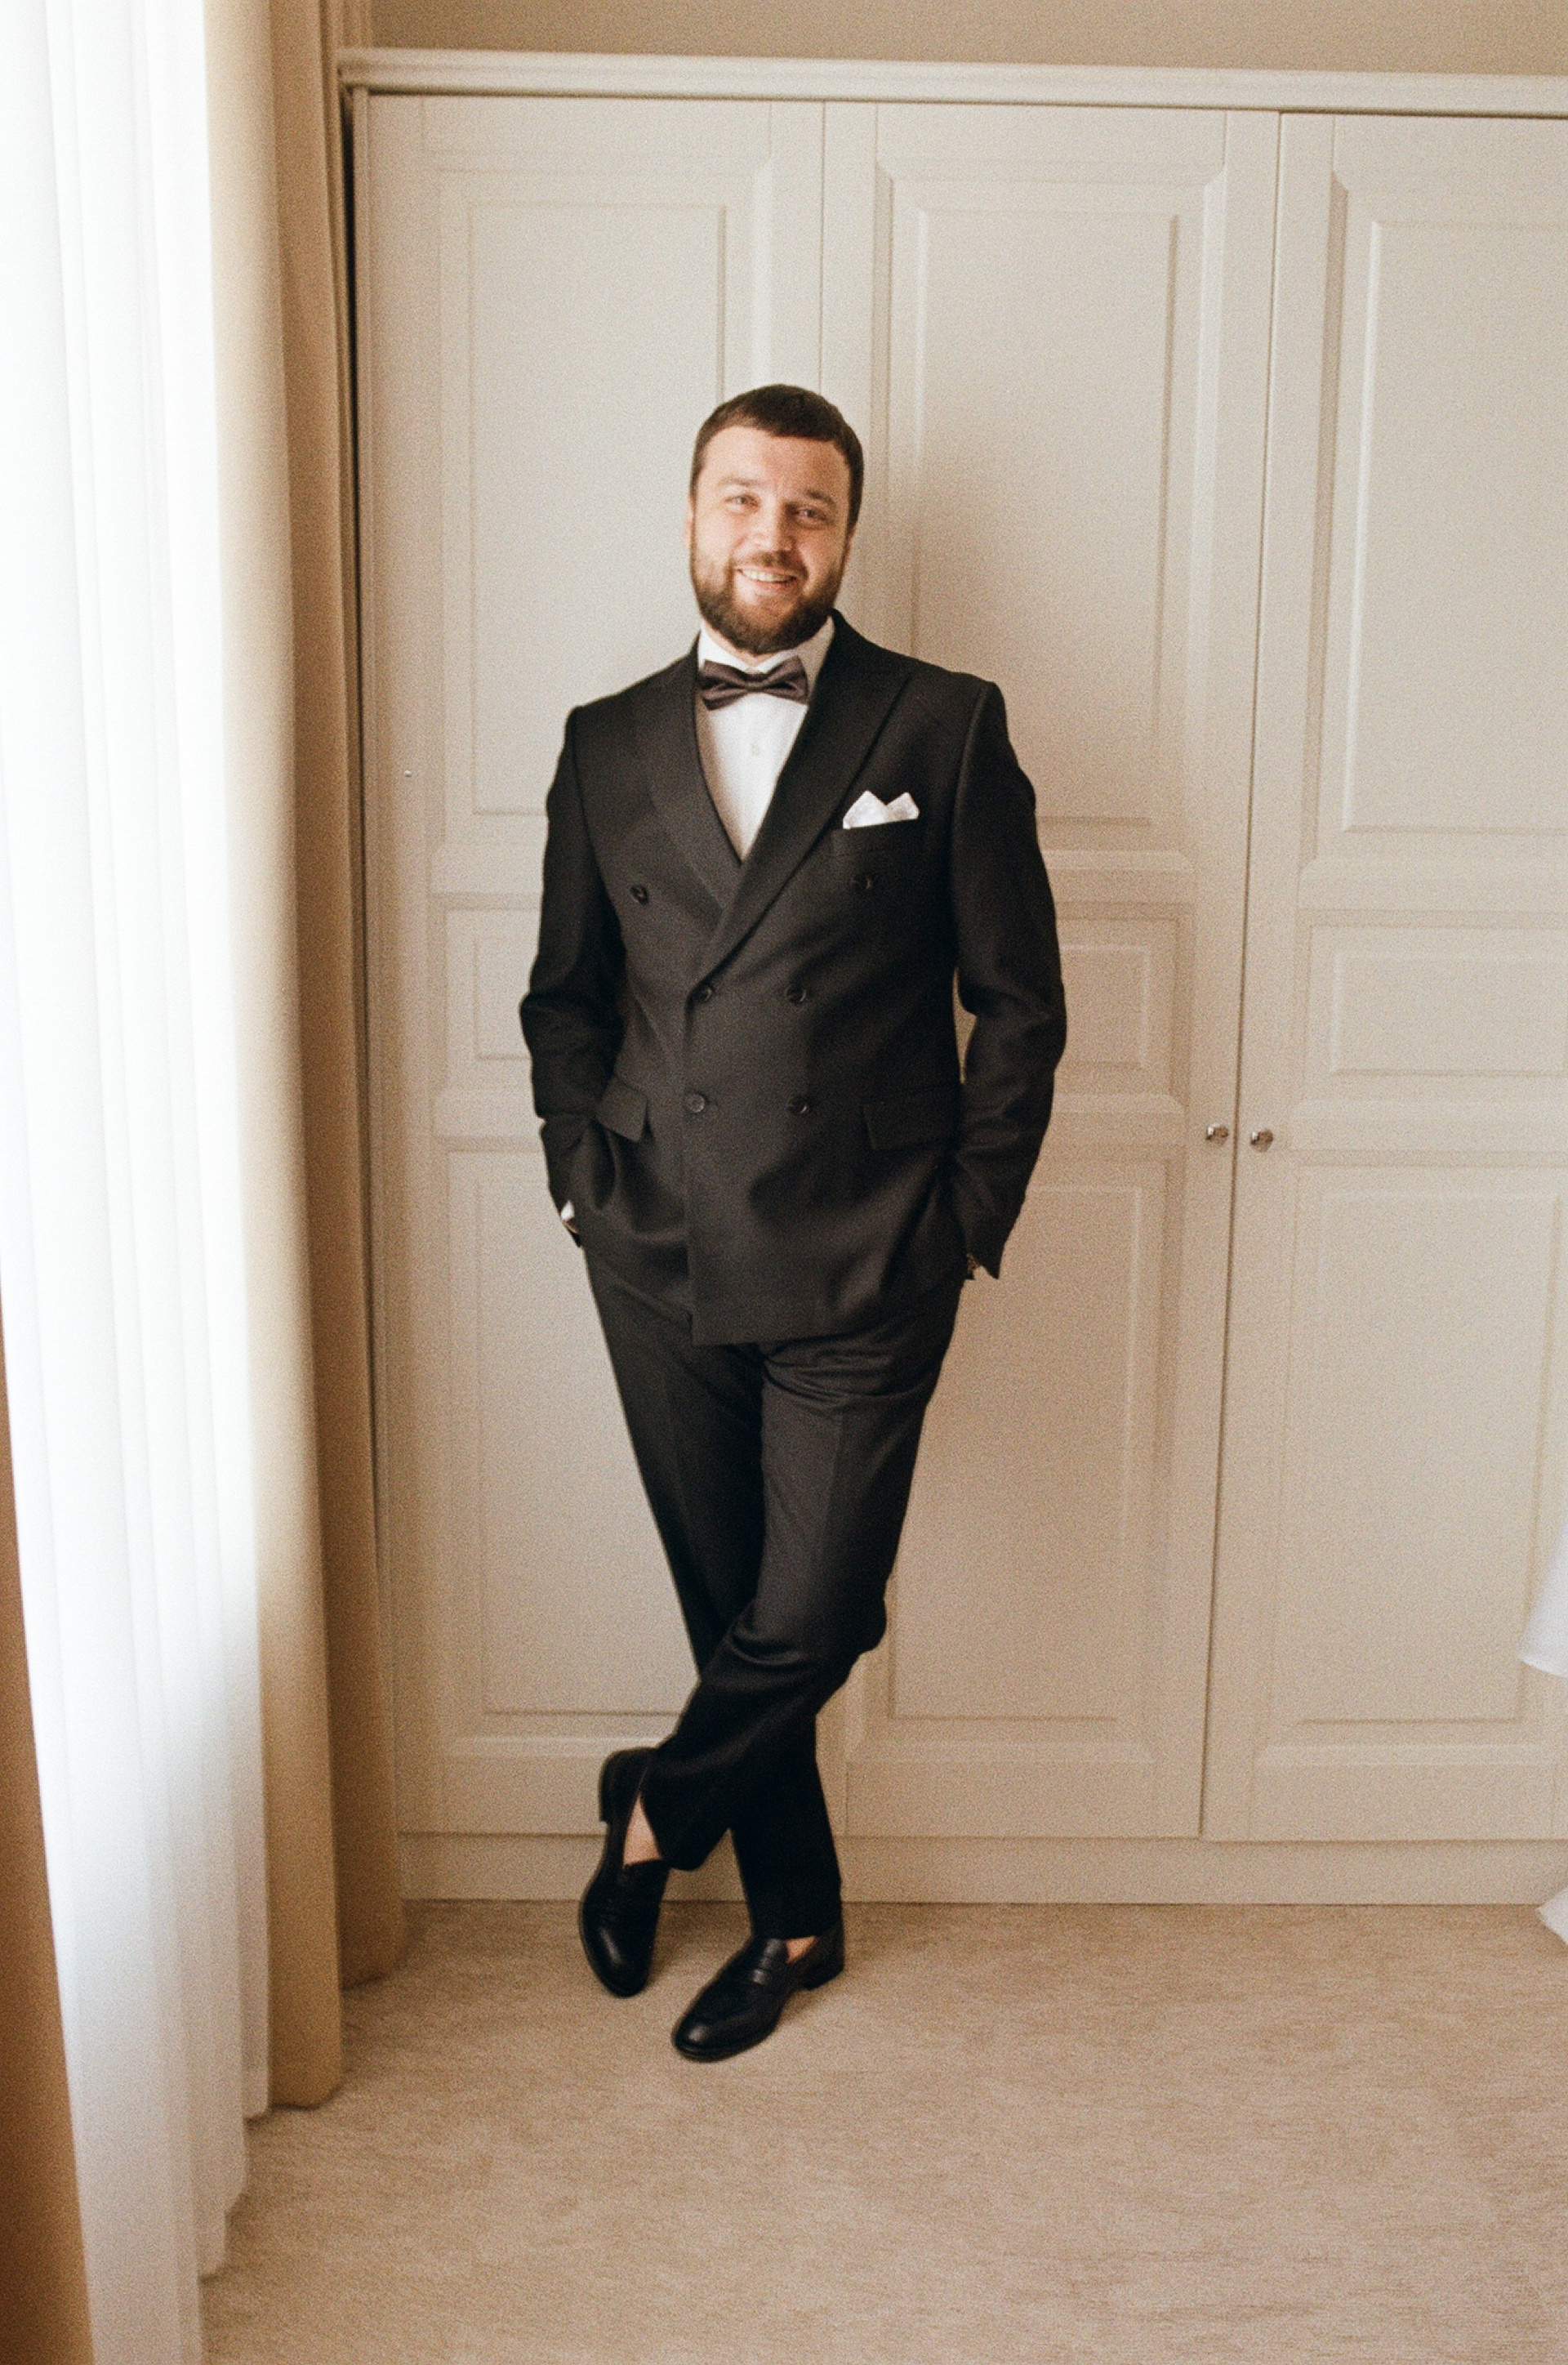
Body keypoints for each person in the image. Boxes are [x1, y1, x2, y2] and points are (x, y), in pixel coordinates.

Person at [519, 384, 1066, 2060]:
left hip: (872, 1248)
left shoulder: (941, 724)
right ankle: (798, 1919)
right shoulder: (604, 740)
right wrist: (579, 1172)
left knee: (816, 1608)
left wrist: (966, 1214)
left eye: (809, 508)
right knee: (734, 1606)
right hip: (656, 1242)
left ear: (846, 535)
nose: (775, 535)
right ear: (693, 516)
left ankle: (653, 1811)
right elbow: (564, 996)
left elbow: (1019, 1001)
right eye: (744, 500)